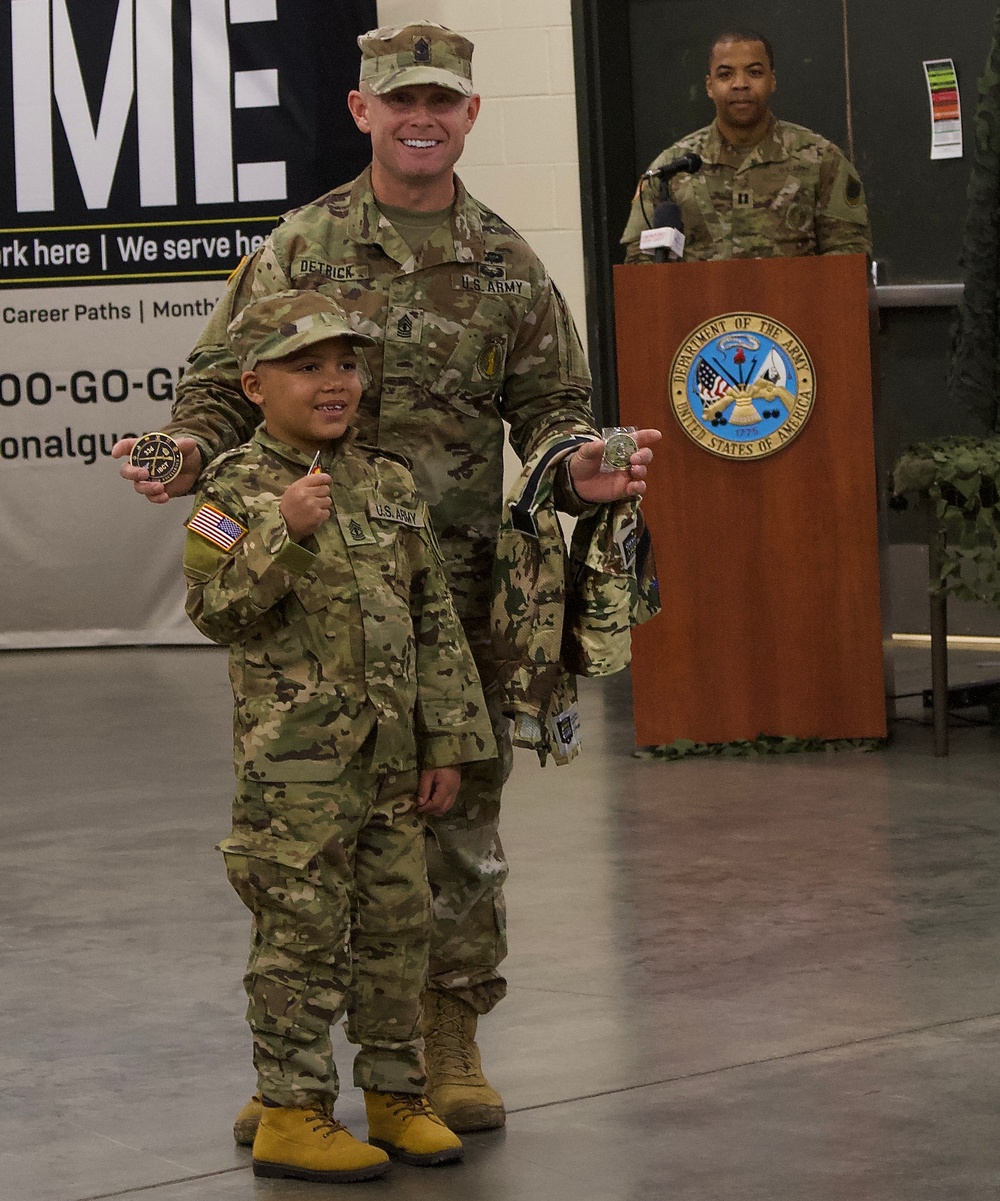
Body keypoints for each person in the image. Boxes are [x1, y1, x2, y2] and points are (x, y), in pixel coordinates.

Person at [114, 21, 660, 1138]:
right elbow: (221, 388)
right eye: (399, 100)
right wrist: (178, 458)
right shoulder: (298, 249)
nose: (422, 118)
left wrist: (579, 472)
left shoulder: (508, 264)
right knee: (304, 849)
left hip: (454, 601)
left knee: (453, 830)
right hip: (312, 605)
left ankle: (443, 1044)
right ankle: (295, 1076)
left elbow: (552, 414)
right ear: (362, 111)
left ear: (468, 115)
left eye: (442, 102)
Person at [184, 288, 497, 1183]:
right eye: (307, 365)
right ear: (253, 383)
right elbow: (212, 610)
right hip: (296, 775)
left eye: (346, 364)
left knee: (399, 929)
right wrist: (280, 532)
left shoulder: (389, 481)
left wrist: (447, 743)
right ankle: (291, 1109)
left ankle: (398, 1095)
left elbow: (433, 616)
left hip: (393, 763)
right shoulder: (231, 489)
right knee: (301, 937)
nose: (334, 382)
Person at [620, 28, 872, 263]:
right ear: (709, 86)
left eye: (754, 72)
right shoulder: (671, 170)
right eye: (725, 74)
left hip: (794, 307)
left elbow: (849, 257)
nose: (740, 84)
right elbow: (640, 263)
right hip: (701, 310)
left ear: (772, 80)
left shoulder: (821, 160)